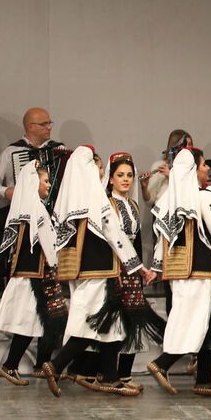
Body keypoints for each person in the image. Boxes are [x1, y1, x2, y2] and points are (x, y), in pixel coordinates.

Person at [145, 148, 211, 398]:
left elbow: (162, 240)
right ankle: (163, 363)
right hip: (202, 273)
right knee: (198, 322)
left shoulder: (168, 201)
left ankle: (204, 379)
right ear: (194, 170)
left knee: (209, 322)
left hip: (180, 274)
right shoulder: (203, 198)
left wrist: (157, 268)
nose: (207, 169)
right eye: (204, 165)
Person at [41, 146, 147, 396]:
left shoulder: (72, 200)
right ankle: (57, 365)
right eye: (95, 166)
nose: (100, 171)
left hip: (87, 271)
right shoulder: (96, 198)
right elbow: (113, 232)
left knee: (109, 324)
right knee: (93, 324)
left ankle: (109, 376)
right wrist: (137, 266)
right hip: (100, 271)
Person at [0, 161, 66, 395]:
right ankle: (13, 365)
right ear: (33, 182)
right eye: (45, 181)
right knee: (31, 320)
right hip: (33, 276)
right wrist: (59, 265)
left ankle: (37, 364)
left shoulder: (25, 207)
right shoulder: (35, 208)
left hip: (32, 274)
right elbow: (48, 243)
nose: (49, 185)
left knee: (40, 320)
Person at [0, 107, 63, 293]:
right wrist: (6, 191)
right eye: (44, 124)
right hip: (20, 210)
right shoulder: (12, 151)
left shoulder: (59, 151)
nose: (49, 127)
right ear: (30, 127)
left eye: (49, 123)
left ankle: (62, 274)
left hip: (52, 210)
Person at [102, 151, 166, 386]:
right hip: (114, 269)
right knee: (115, 323)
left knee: (134, 322)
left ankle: (125, 373)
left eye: (129, 175)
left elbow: (135, 241)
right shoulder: (107, 205)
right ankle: (107, 374)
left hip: (132, 270)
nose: (126, 179)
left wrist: (141, 270)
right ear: (111, 179)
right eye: (120, 175)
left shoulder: (133, 205)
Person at [140, 129, 192, 205]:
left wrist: (171, 176)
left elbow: (191, 194)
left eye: (190, 144)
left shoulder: (193, 168)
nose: (188, 148)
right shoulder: (160, 166)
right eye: (184, 145)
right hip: (161, 210)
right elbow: (150, 201)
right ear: (174, 146)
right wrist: (144, 187)